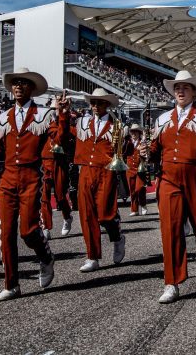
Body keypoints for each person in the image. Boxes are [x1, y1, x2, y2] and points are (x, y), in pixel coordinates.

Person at [138, 70, 196, 304]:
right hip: (169, 178)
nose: (180, 91)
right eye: (177, 88)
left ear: (194, 91)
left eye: (185, 87)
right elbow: (155, 154)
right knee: (170, 229)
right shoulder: (163, 119)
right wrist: (146, 152)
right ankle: (171, 282)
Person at [0, 68, 61, 301]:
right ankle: (11, 284)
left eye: (23, 83)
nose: (18, 87)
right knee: (6, 233)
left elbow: (60, 139)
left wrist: (63, 116)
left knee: (28, 231)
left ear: (31, 89)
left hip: (30, 177)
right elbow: (0, 152)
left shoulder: (44, 115)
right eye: (15, 83)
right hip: (7, 178)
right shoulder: (2, 117)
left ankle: (45, 257)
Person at [73, 88, 127, 272]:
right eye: (93, 102)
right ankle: (92, 256)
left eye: (100, 102)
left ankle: (118, 237)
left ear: (107, 104)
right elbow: (64, 136)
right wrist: (62, 114)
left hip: (106, 172)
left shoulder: (116, 126)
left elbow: (123, 151)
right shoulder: (81, 122)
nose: (95, 106)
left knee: (106, 214)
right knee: (87, 215)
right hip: (86, 171)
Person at [40, 93, 74, 240]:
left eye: (56, 109)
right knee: (44, 196)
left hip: (59, 162)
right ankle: (46, 226)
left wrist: (63, 116)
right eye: (53, 108)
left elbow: (63, 135)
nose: (54, 111)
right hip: (45, 161)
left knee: (60, 196)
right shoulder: (42, 123)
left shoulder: (66, 123)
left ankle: (67, 217)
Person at [126, 124, 149, 216]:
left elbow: (147, 155)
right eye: (132, 132)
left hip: (140, 169)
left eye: (135, 132)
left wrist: (142, 149)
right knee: (132, 190)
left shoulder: (142, 142)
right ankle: (134, 209)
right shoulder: (128, 142)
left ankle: (143, 205)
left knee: (140, 189)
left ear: (139, 133)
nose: (133, 134)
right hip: (130, 169)